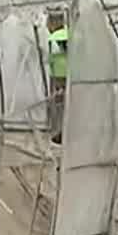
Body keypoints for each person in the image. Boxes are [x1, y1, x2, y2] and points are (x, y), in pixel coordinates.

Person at [46, 12, 69, 142]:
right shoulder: (69, 34)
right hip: (68, 73)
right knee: (66, 102)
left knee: (60, 104)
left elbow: (53, 55)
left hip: (59, 74)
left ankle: (61, 133)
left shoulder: (55, 37)